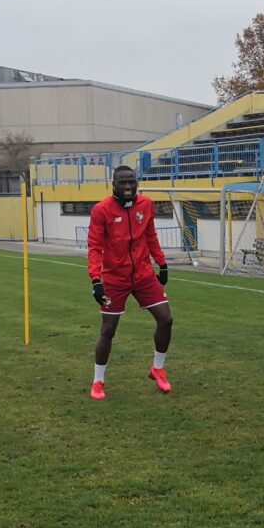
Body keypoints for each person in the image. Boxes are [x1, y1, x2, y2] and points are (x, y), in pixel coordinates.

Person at [87, 165, 172, 399]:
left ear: (137, 183)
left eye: (131, 181)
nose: (128, 186)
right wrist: (96, 281)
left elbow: (150, 236)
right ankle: (98, 381)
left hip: (144, 275)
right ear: (113, 184)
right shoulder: (101, 210)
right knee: (108, 330)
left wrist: (162, 263)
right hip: (115, 278)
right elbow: (94, 247)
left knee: (166, 319)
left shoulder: (146, 205)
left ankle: (157, 368)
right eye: (123, 182)